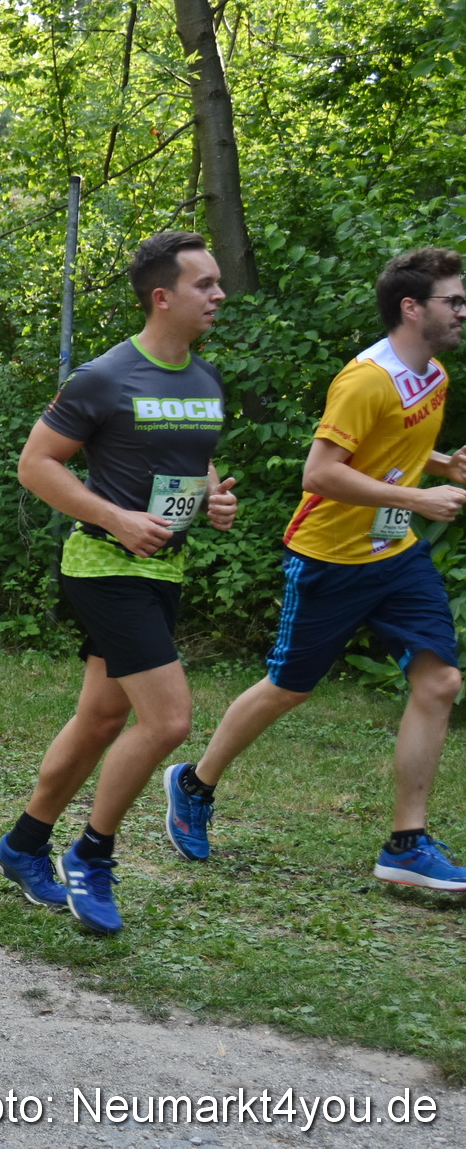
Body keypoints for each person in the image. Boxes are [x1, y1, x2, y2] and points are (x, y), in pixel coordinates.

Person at [165, 247, 466, 892]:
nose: (463, 311)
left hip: (395, 554)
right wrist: (419, 497)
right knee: (290, 687)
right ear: (412, 308)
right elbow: (321, 473)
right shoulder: (364, 381)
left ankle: (406, 845)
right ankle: (194, 783)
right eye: (454, 301)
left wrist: (439, 466)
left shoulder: (433, 376)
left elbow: (389, 450)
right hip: (329, 557)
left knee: (439, 683)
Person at [0, 231, 237, 936]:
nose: (219, 295)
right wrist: (118, 519)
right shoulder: (106, 376)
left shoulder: (205, 380)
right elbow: (36, 464)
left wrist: (214, 500)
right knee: (169, 720)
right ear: (163, 297)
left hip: (164, 568)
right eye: (205, 285)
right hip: (104, 564)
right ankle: (91, 853)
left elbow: (196, 462)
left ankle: (23, 844)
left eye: (218, 284)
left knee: (101, 717)